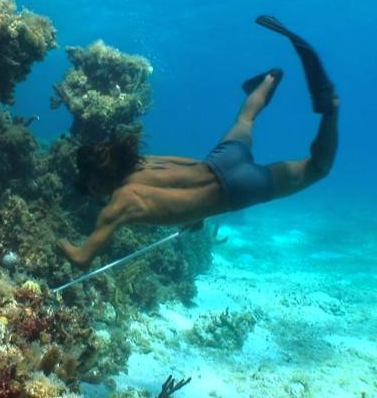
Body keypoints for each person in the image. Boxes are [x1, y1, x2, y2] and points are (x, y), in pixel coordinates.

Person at [57, 16, 339, 267]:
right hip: (221, 161)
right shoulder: (141, 163)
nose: (95, 197)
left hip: (237, 190)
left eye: (90, 190)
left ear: (96, 182)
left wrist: (59, 242)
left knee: (317, 168)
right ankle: (269, 80)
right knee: (245, 120)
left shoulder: (118, 205)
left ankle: (331, 111)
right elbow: (189, 167)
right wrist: (196, 213)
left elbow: (81, 258)